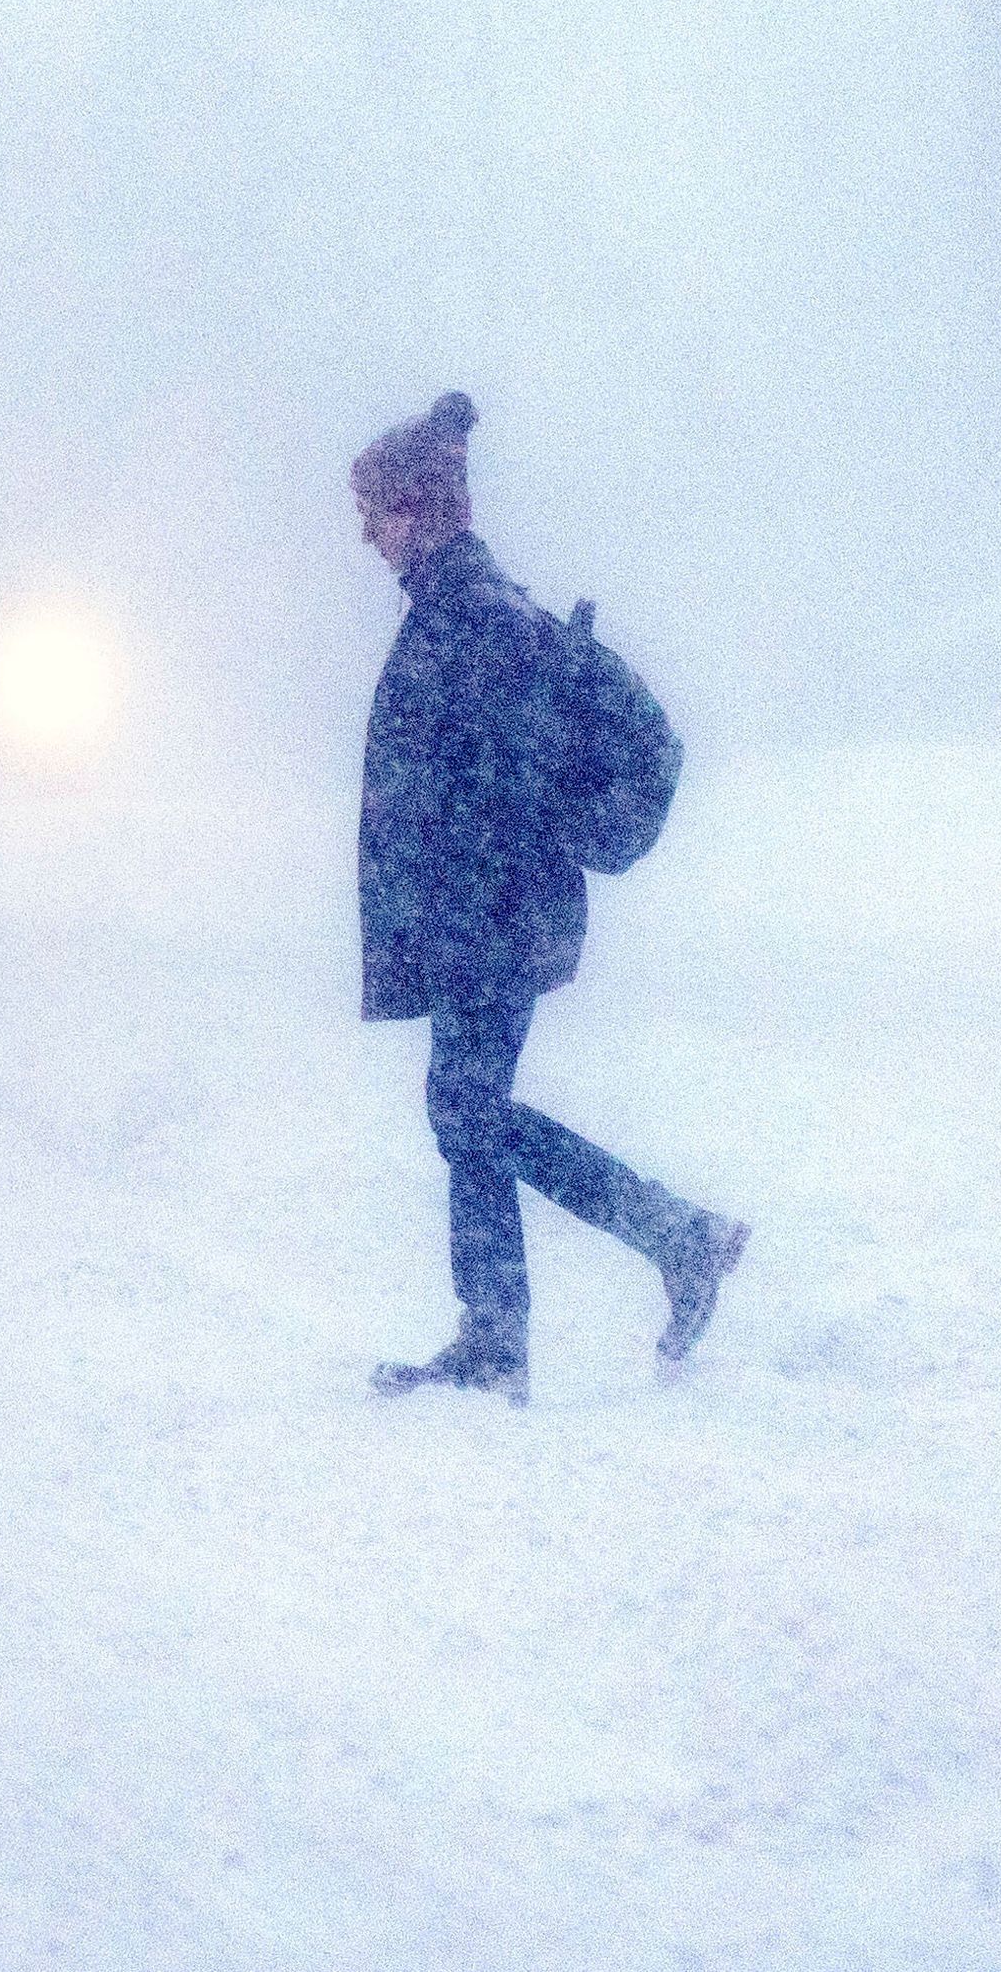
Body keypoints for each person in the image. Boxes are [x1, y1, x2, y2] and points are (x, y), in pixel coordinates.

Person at [346, 391, 744, 1400]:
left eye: (374, 511)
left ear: (418, 510)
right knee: (467, 1111)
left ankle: (644, 1256)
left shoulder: (476, 620)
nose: (365, 534)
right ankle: (630, 1263)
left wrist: (482, 866)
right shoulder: (461, 610)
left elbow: (504, 775)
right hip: (486, 915)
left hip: (493, 916)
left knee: (466, 1109)